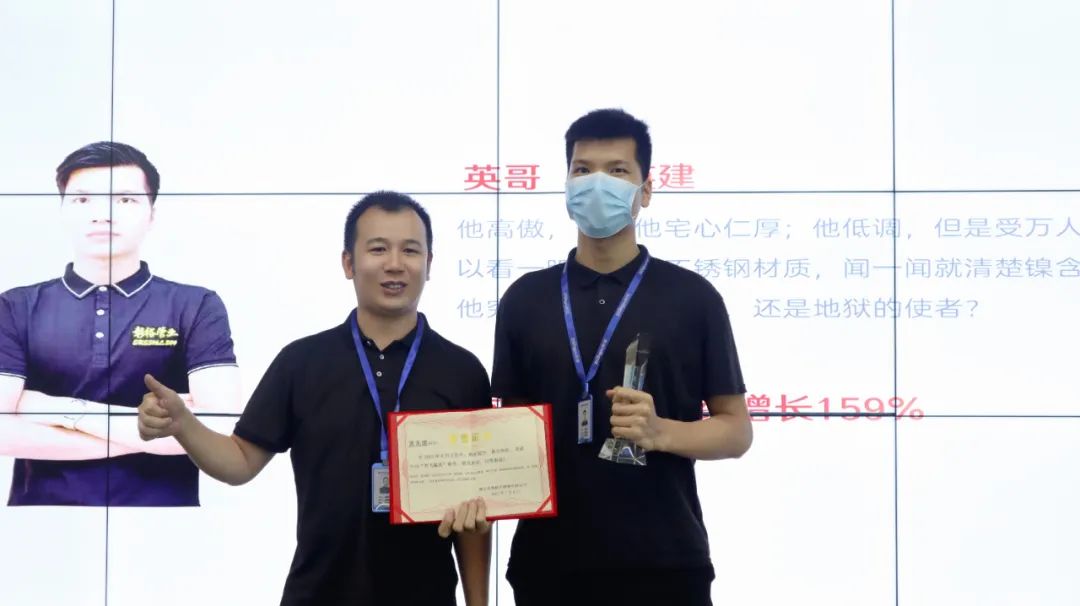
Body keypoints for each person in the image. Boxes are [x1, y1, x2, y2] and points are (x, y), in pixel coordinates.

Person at [138, 191, 492, 605]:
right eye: (378, 249)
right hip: (317, 594)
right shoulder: (302, 362)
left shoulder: (462, 371)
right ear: (348, 263)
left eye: (410, 250)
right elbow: (240, 461)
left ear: (429, 264)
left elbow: (475, 513)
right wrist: (182, 424)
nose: (395, 264)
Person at [492, 109, 753, 605]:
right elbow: (511, 435)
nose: (597, 184)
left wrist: (661, 432)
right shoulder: (524, 299)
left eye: (616, 171)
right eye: (582, 169)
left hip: (666, 564)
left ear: (645, 190)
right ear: (566, 185)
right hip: (548, 566)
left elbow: (736, 431)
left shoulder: (693, 298)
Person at [0, 141, 241, 506]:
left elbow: (221, 427)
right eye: (83, 199)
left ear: (152, 214)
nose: (103, 215)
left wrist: (59, 411)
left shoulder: (195, 304)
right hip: (43, 518)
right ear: (62, 210)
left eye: (125, 199)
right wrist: (158, 431)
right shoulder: (15, 306)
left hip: (165, 520)